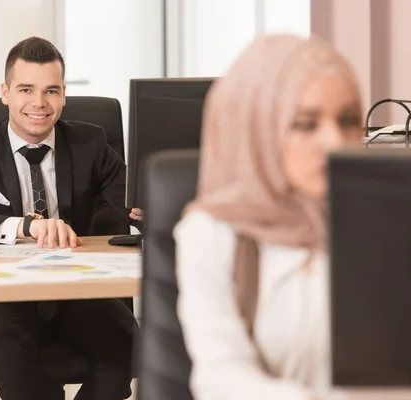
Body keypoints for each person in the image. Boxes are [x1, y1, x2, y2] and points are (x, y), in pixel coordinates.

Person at [0, 36, 142, 400]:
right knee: (10, 353)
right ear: (5, 93)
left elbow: (133, 201)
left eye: (51, 91)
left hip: (79, 291)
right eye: (26, 89)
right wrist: (25, 225)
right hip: (1, 297)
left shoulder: (90, 142)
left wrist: (153, 206)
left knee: (126, 348)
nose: (39, 103)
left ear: (63, 95)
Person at [174, 34, 363, 400]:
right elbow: (222, 378)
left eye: (349, 120)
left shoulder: (382, 220)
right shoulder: (213, 234)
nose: (335, 142)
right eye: (306, 124)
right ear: (258, 129)